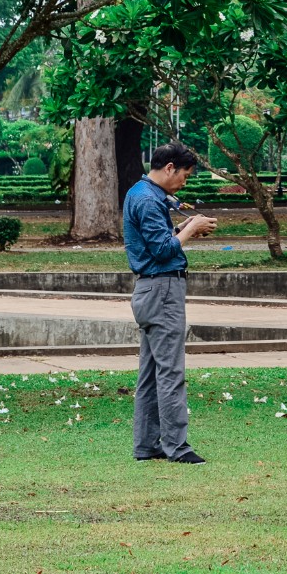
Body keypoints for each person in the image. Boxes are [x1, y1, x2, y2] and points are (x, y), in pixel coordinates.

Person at [123, 142, 218, 464]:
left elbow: (157, 240)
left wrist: (180, 228)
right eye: (185, 176)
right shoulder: (149, 200)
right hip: (162, 290)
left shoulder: (139, 192)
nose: (184, 183)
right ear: (169, 168)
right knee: (170, 372)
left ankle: (147, 445)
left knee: (150, 374)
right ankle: (178, 447)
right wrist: (190, 229)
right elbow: (163, 251)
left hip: (149, 291)